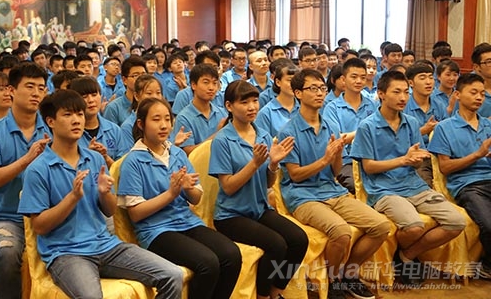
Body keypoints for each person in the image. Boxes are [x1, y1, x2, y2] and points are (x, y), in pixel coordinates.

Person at [17, 90, 183, 299]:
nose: (77, 120)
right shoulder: (38, 169)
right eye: (68, 115)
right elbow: (40, 226)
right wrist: (72, 198)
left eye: (79, 114)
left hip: (106, 245)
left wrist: (105, 194)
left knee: (172, 275)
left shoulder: (95, 159)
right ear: (51, 121)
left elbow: (110, 210)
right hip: (67, 253)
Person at [278, 69, 389, 299]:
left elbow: (336, 171)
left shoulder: (329, 125)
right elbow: (295, 175)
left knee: (381, 225)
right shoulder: (288, 131)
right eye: (313, 89)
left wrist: (336, 154)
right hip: (302, 195)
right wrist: (325, 159)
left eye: (322, 88)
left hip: (331, 189)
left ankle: (347, 273)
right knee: (341, 231)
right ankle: (332, 281)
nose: (320, 93)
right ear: (298, 93)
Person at [118, 97, 241, 299]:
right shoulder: (133, 161)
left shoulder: (177, 153)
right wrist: (171, 194)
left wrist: (188, 188)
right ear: (141, 124)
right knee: (208, 263)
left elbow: (196, 198)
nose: (164, 125)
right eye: (156, 119)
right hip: (156, 231)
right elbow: (136, 214)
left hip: (187, 222)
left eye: (167, 119)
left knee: (231, 255)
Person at [350, 71, 466, 285]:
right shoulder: (368, 126)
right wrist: (403, 160)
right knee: (414, 226)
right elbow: (369, 167)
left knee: (457, 221)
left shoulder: (411, 122)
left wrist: (416, 159)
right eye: (397, 92)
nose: (403, 97)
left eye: (406, 92)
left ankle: (406, 256)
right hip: (383, 189)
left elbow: (416, 159)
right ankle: (400, 257)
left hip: (413, 185)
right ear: (381, 94)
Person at [209, 80, 308, 299]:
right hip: (231, 215)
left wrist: (273, 164)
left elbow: (268, 184)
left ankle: (276, 290)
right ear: (229, 106)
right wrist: (254, 164)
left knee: (299, 239)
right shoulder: (223, 140)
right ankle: (262, 296)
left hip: (259, 209)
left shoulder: (262, 134)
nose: (252, 107)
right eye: (244, 102)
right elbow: (228, 186)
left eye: (254, 101)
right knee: (276, 245)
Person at [0, 63, 51, 299]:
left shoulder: (53, 130)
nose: (36, 93)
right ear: (11, 91)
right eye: (29, 86)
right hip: (5, 217)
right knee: (7, 255)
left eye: (41, 88)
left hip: (47, 215)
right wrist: (27, 159)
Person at [428, 73, 491, 279]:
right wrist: (477, 155)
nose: (479, 97)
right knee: (489, 225)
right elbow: (445, 167)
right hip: (468, 185)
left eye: (482, 94)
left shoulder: (488, 125)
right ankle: (487, 266)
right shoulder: (444, 128)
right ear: (458, 94)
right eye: (473, 92)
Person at [322, 59, 377, 194]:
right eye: (354, 77)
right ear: (343, 79)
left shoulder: (372, 105)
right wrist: (363, 131)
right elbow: (336, 140)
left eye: (363, 77)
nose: (359, 81)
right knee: (359, 187)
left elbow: (379, 133)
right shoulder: (332, 108)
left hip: (372, 158)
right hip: (346, 162)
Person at [404, 63, 448, 186]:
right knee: (425, 184)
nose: (428, 82)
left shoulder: (439, 104)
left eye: (430, 77)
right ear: (411, 83)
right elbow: (397, 138)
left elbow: (449, 131)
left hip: (440, 154)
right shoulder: (403, 105)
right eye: (422, 78)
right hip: (416, 157)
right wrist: (423, 130)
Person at [69, 77, 126, 167]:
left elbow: (123, 168)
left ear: (101, 96)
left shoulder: (114, 130)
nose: (91, 100)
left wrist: (105, 158)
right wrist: (88, 156)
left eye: (94, 95)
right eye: (84, 97)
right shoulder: (69, 133)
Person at [173, 64, 227, 155]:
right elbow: (188, 152)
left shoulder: (222, 113)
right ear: (193, 85)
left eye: (214, 83)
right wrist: (217, 134)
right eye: (206, 82)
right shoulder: (184, 118)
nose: (211, 88)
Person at [255, 63, 299, 138]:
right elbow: (261, 142)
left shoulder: (304, 108)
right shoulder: (266, 113)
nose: (294, 84)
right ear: (278, 82)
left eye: (297, 81)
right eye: (290, 80)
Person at [104, 56, 146, 125]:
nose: (141, 79)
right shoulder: (113, 108)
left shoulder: (151, 104)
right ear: (124, 80)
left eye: (144, 75)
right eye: (135, 75)